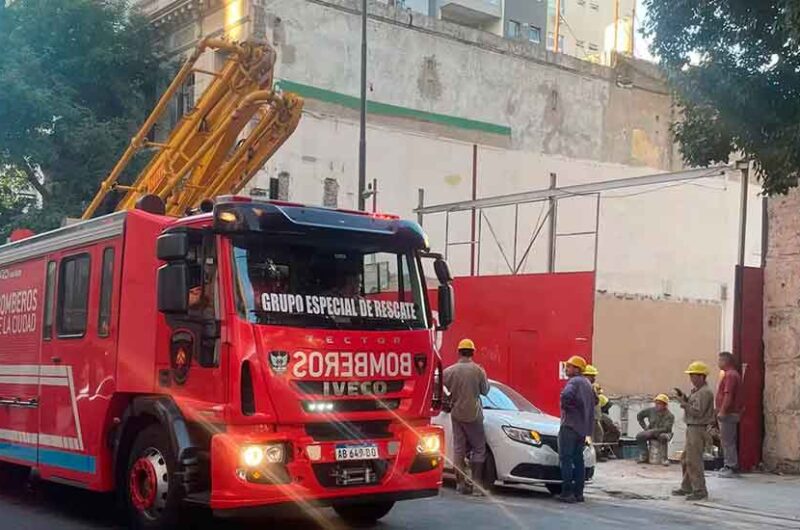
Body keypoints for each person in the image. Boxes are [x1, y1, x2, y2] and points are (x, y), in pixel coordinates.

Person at [443, 338, 490, 497]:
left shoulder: (449, 371)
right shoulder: (478, 370)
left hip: (456, 413)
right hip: (474, 414)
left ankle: (461, 484)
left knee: (459, 449)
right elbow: (485, 391)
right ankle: (477, 486)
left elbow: (439, 387)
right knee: (479, 448)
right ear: (473, 353)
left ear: (459, 352)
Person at [672, 361, 715, 501]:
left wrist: (684, 404)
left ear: (702, 376)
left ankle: (700, 490)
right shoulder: (697, 392)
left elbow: (698, 412)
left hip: (698, 428)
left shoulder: (704, 393)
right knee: (686, 459)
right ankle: (687, 486)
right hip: (692, 427)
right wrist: (684, 398)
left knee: (694, 460)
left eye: (693, 375)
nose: (691, 378)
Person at [558, 355, 595, 503]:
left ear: (577, 369)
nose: (567, 369)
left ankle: (567, 493)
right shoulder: (587, 383)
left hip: (570, 426)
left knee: (565, 459)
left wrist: (569, 408)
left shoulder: (574, 382)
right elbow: (596, 400)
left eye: (569, 367)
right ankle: (579, 494)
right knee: (578, 460)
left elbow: (566, 396)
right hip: (582, 429)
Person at [716, 351, 743, 477]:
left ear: (726, 361)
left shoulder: (730, 375)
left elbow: (728, 395)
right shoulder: (731, 374)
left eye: (720, 360)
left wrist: (722, 411)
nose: (718, 362)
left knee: (727, 441)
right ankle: (728, 464)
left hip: (728, 413)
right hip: (731, 412)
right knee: (727, 440)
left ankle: (731, 466)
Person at [635, 394, 675, 465]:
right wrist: (645, 427)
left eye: (659, 403)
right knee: (639, 436)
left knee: (663, 437)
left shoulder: (670, 415)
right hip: (652, 432)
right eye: (656, 403)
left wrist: (652, 431)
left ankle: (664, 459)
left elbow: (666, 428)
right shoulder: (651, 411)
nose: (657, 405)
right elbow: (639, 416)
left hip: (665, 433)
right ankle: (644, 456)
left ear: (665, 405)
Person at [582, 365, 604, 449]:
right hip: (590, 417)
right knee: (592, 436)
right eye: (592, 376)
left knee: (598, 434)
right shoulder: (585, 387)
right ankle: (593, 452)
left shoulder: (590, 386)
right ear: (586, 376)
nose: (594, 378)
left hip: (594, 417)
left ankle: (596, 452)